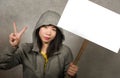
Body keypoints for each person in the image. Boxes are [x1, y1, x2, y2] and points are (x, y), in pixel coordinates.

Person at [0, 10, 78, 78]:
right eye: (45, 27)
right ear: (38, 28)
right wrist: (13, 47)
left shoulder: (65, 52)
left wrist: (72, 75)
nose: (48, 33)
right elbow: (2, 65)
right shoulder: (25, 49)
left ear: (58, 33)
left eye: (53, 29)